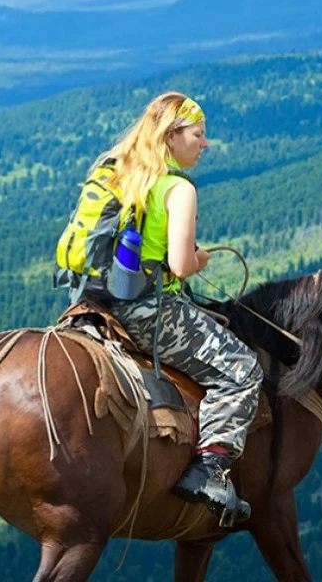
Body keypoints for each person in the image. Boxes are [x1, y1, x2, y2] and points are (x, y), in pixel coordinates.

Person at [90, 91, 263, 525]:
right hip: (151, 310)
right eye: (198, 135)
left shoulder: (124, 174)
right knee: (243, 370)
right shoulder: (178, 188)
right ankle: (210, 470)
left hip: (104, 302)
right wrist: (199, 260)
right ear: (172, 136)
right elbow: (181, 265)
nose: (205, 144)